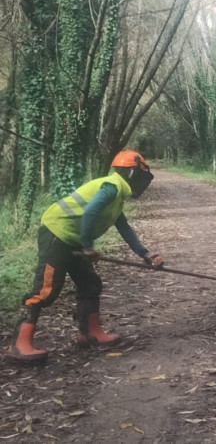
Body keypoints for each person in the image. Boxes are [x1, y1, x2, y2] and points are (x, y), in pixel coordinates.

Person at [7, 150, 164, 363]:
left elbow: (125, 229)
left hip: (74, 239)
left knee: (90, 284)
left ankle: (90, 335)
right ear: (131, 173)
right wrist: (89, 246)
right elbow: (90, 212)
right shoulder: (112, 187)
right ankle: (18, 344)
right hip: (57, 233)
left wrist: (145, 254)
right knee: (46, 290)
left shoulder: (117, 195)